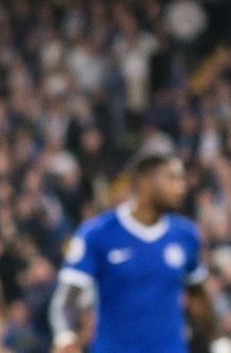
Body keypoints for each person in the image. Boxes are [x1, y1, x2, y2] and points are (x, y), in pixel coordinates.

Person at [50, 144, 214, 353]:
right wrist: (65, 337)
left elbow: (198, 296)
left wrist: (218, 342)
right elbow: (67, 300)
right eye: (172, 178)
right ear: (145, 182)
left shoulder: (186, 235)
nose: (181, 187)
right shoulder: (97, 234)